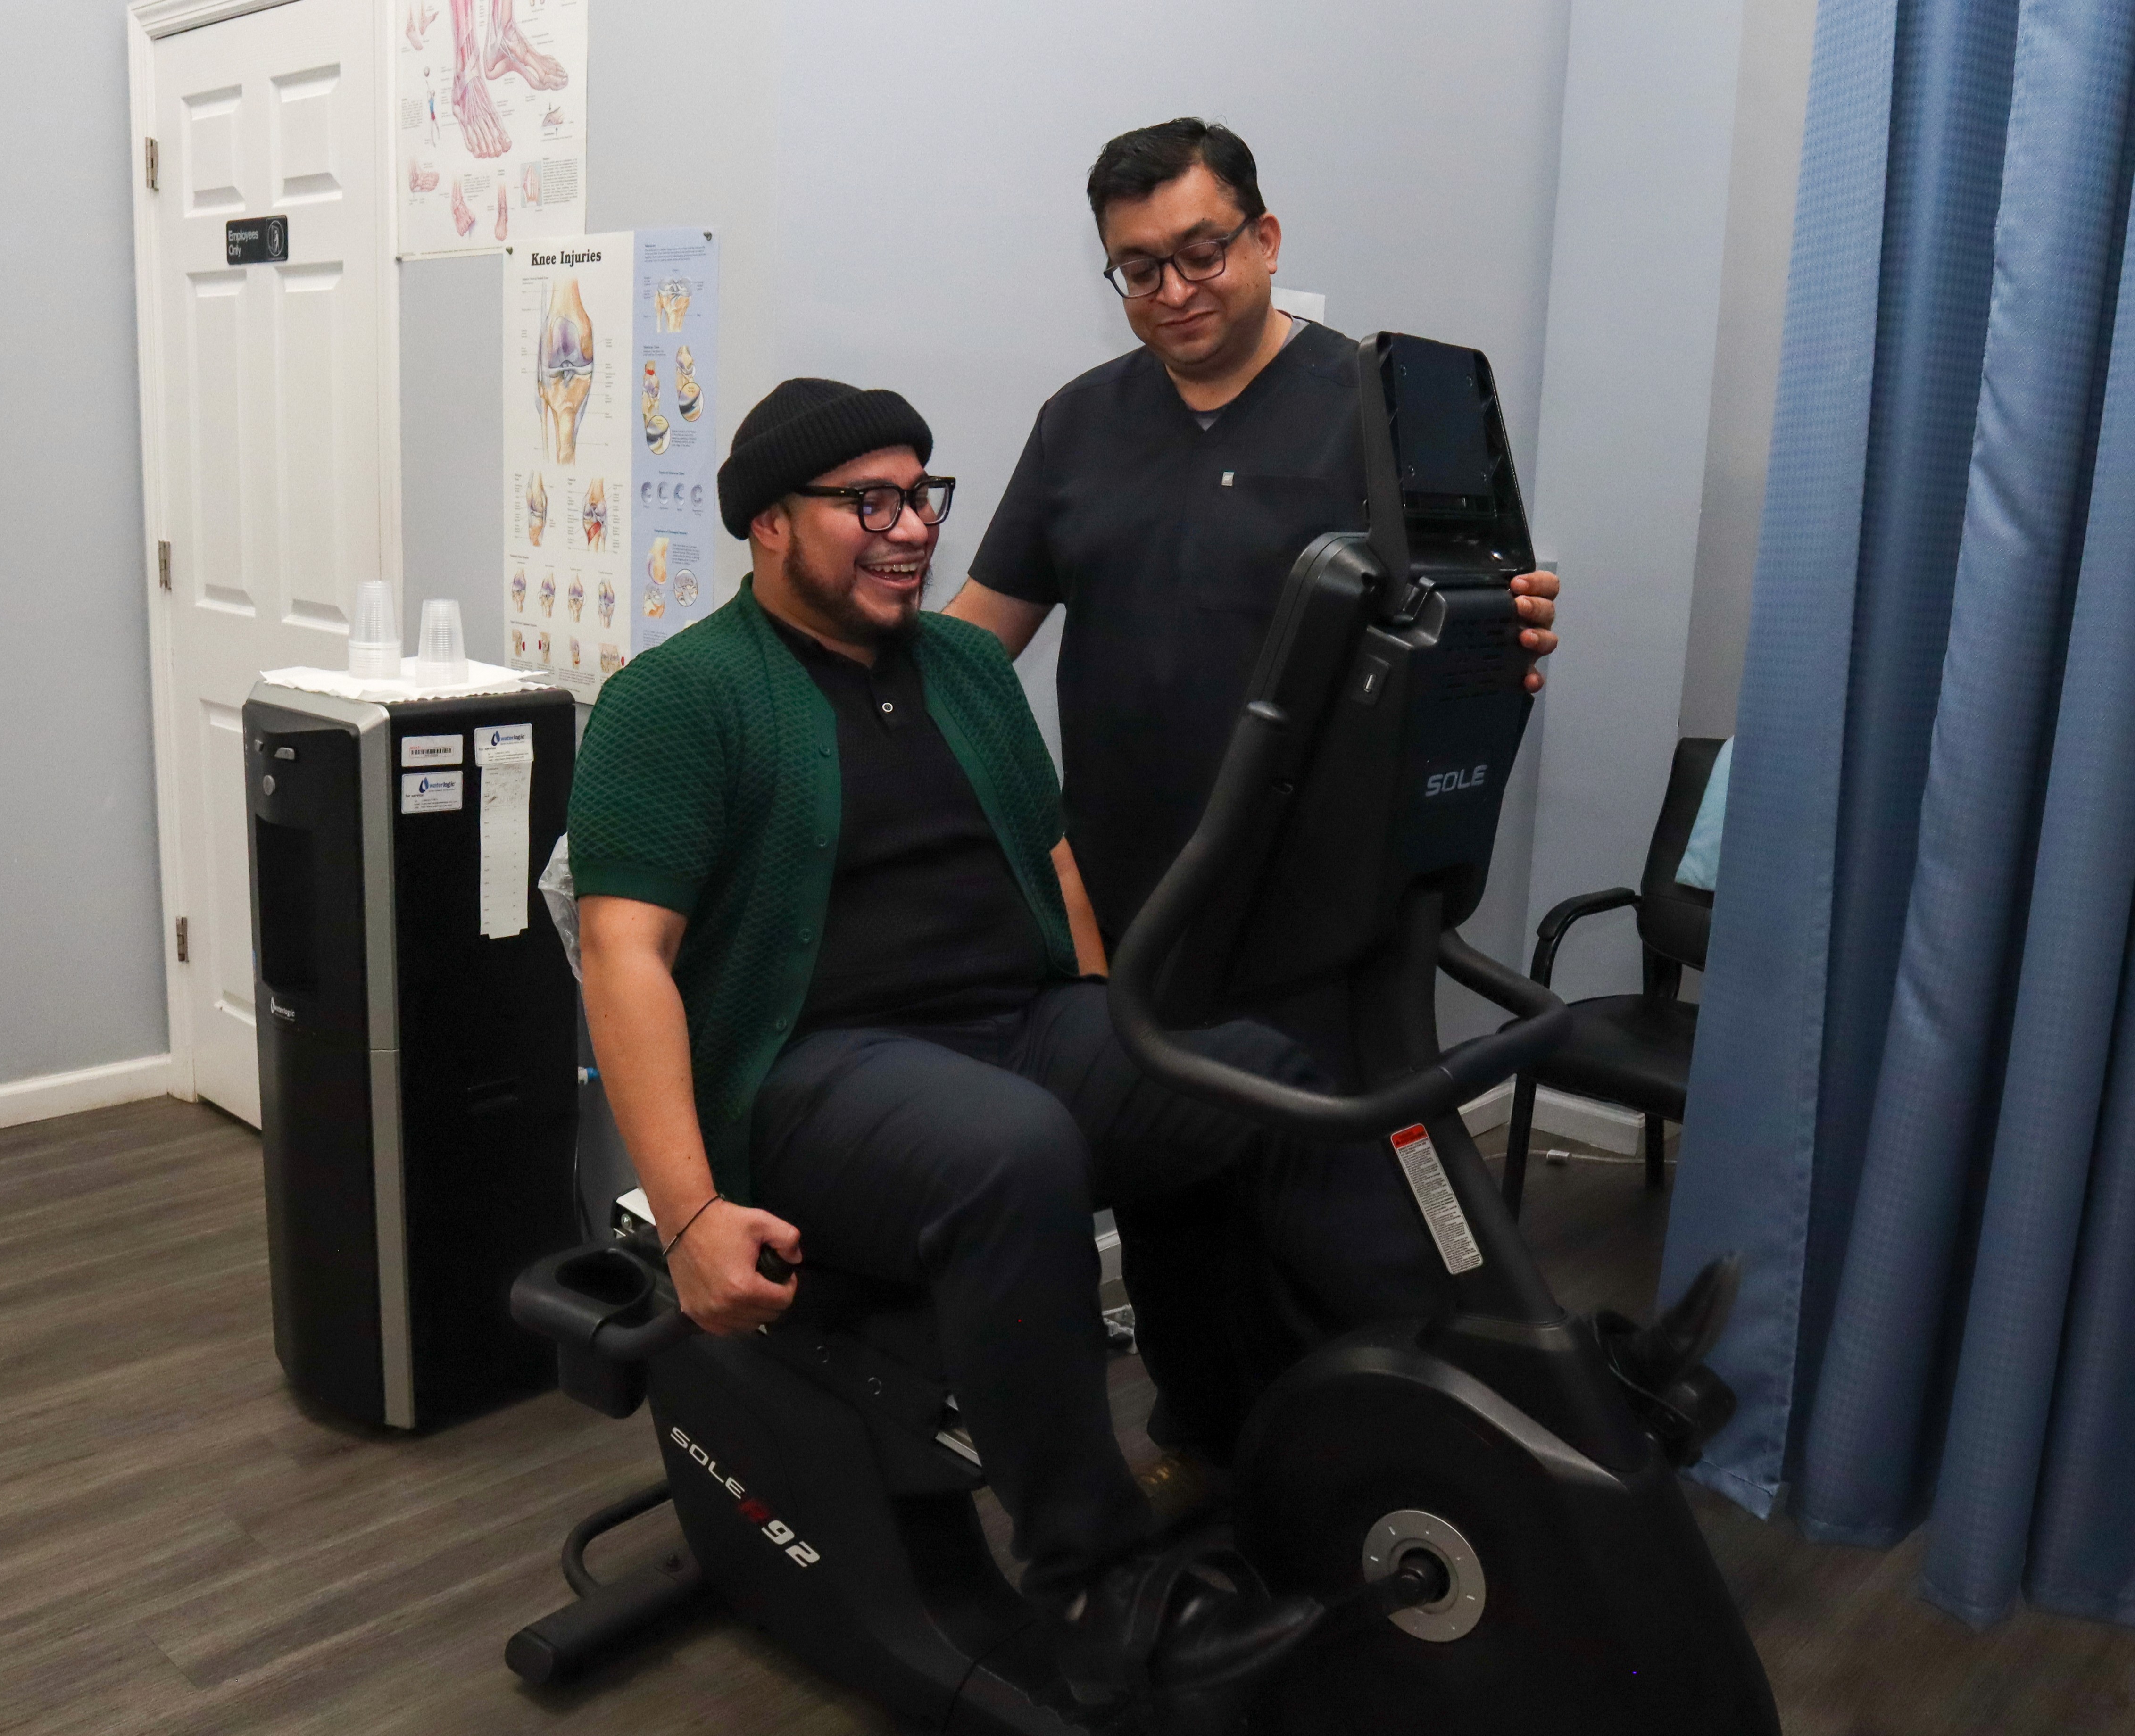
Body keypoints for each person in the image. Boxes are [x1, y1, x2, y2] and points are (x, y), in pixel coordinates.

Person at [570, 377, 1462, 1716]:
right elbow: (621, 955)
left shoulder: (971, 672)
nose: (910, 528)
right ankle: (1099, 1586)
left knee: (1259, 1077)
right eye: (864, 500)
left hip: (1019, 1024)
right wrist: (691, 1212)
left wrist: (1120, 1038)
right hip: (813, 1067)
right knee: (1012, 1152)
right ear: (765, 523)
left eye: (920, 494)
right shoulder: (679, 697)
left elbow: (1053, 870)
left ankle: (1445, 1399)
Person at [942, 118, 1561, 1482]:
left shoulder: (1370, 408)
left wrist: (1507, 623)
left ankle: (1385, 1456)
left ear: (1264, 239)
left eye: (1200, 252)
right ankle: (1210, 1439)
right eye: (1138, 269)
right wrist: (804, 685)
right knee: (1177, 1200)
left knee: (1342, 1201)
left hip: (1320, 900)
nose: (1174, 291)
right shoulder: (1078, 424)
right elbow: (973, 647)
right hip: (1139, 901)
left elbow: (1483, 620)